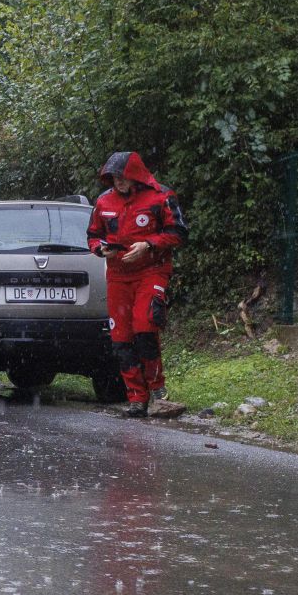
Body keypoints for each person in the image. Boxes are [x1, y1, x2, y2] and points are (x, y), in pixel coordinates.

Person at [87, 152, 187, 417]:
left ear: (136, 175)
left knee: (145, 327)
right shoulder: (103, 201)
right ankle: (136, 398)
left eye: (123, 177)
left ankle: (158, 392)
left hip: (152, 271)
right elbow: (93, 236)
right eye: (114, 178)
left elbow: (178, 232)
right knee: (121, 338)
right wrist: (100, 250)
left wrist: (148, 245)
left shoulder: (161, 197)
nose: (118, 182)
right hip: (118, 275)